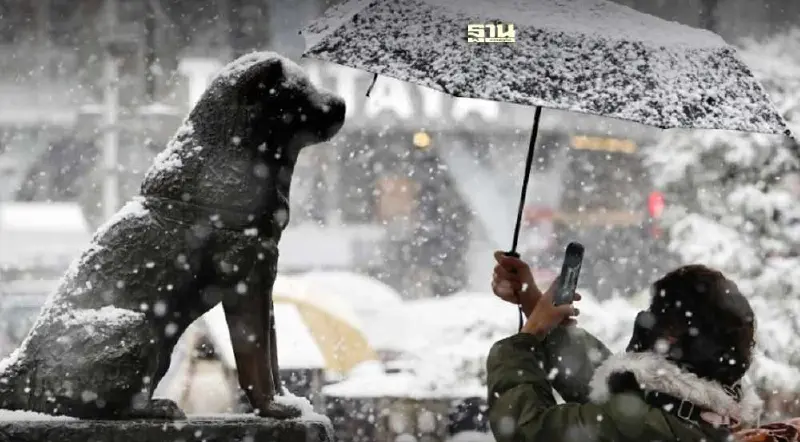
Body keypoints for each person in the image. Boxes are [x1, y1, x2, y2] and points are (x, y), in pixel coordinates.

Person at [486, 251, 763, 442]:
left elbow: (526, 431)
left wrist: (527, 337)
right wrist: (535, 305)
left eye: (657, 314)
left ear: (675, 335)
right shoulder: (709, 409)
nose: (646, 320)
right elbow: (606, 382)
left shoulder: (646, 426)